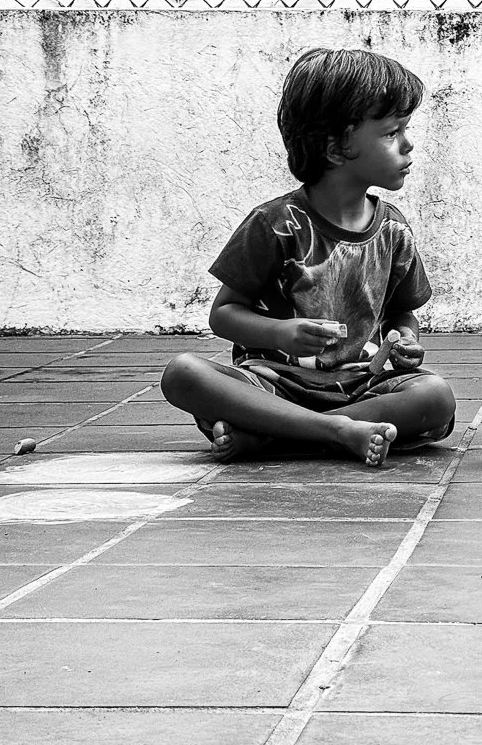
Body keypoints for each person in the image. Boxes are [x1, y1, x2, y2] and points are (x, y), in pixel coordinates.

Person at [161, 47, 456, 468]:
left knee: (434, 396)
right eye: (392, 133)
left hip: (359, 386)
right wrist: (281, 333)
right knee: (183, 374)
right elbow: (223, 315)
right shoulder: (275, 223)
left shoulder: (393, 229)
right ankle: (334, 432)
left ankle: (273, 435)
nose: (408, 145)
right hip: (272, 384)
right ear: (336, 148)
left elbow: (402, 313)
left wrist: (405, 341)